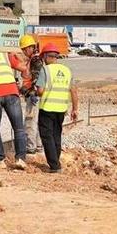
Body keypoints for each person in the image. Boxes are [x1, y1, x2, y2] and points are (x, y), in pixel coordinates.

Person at [35, 43, 78, 173]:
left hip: (47, 108)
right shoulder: (66, 71)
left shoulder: (45, 70)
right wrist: (75, 109)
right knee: (56, 136)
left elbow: (41, 91)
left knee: (47, 136)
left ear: (46, 56)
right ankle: (56, 161)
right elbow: (74, 91)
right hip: (61, 110)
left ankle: (55, 166)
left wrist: (35, 91)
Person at [18, 34, 43, 155]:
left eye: (24, 49)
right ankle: (38, 146)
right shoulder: (35, 59)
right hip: (34, 94)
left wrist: (32, 92)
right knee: (37, 121)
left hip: (33, 95)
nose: (23, 52)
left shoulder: (35, 60)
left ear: (30, 47)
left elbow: (37, 78)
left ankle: (30, 147)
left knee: (30, 121)